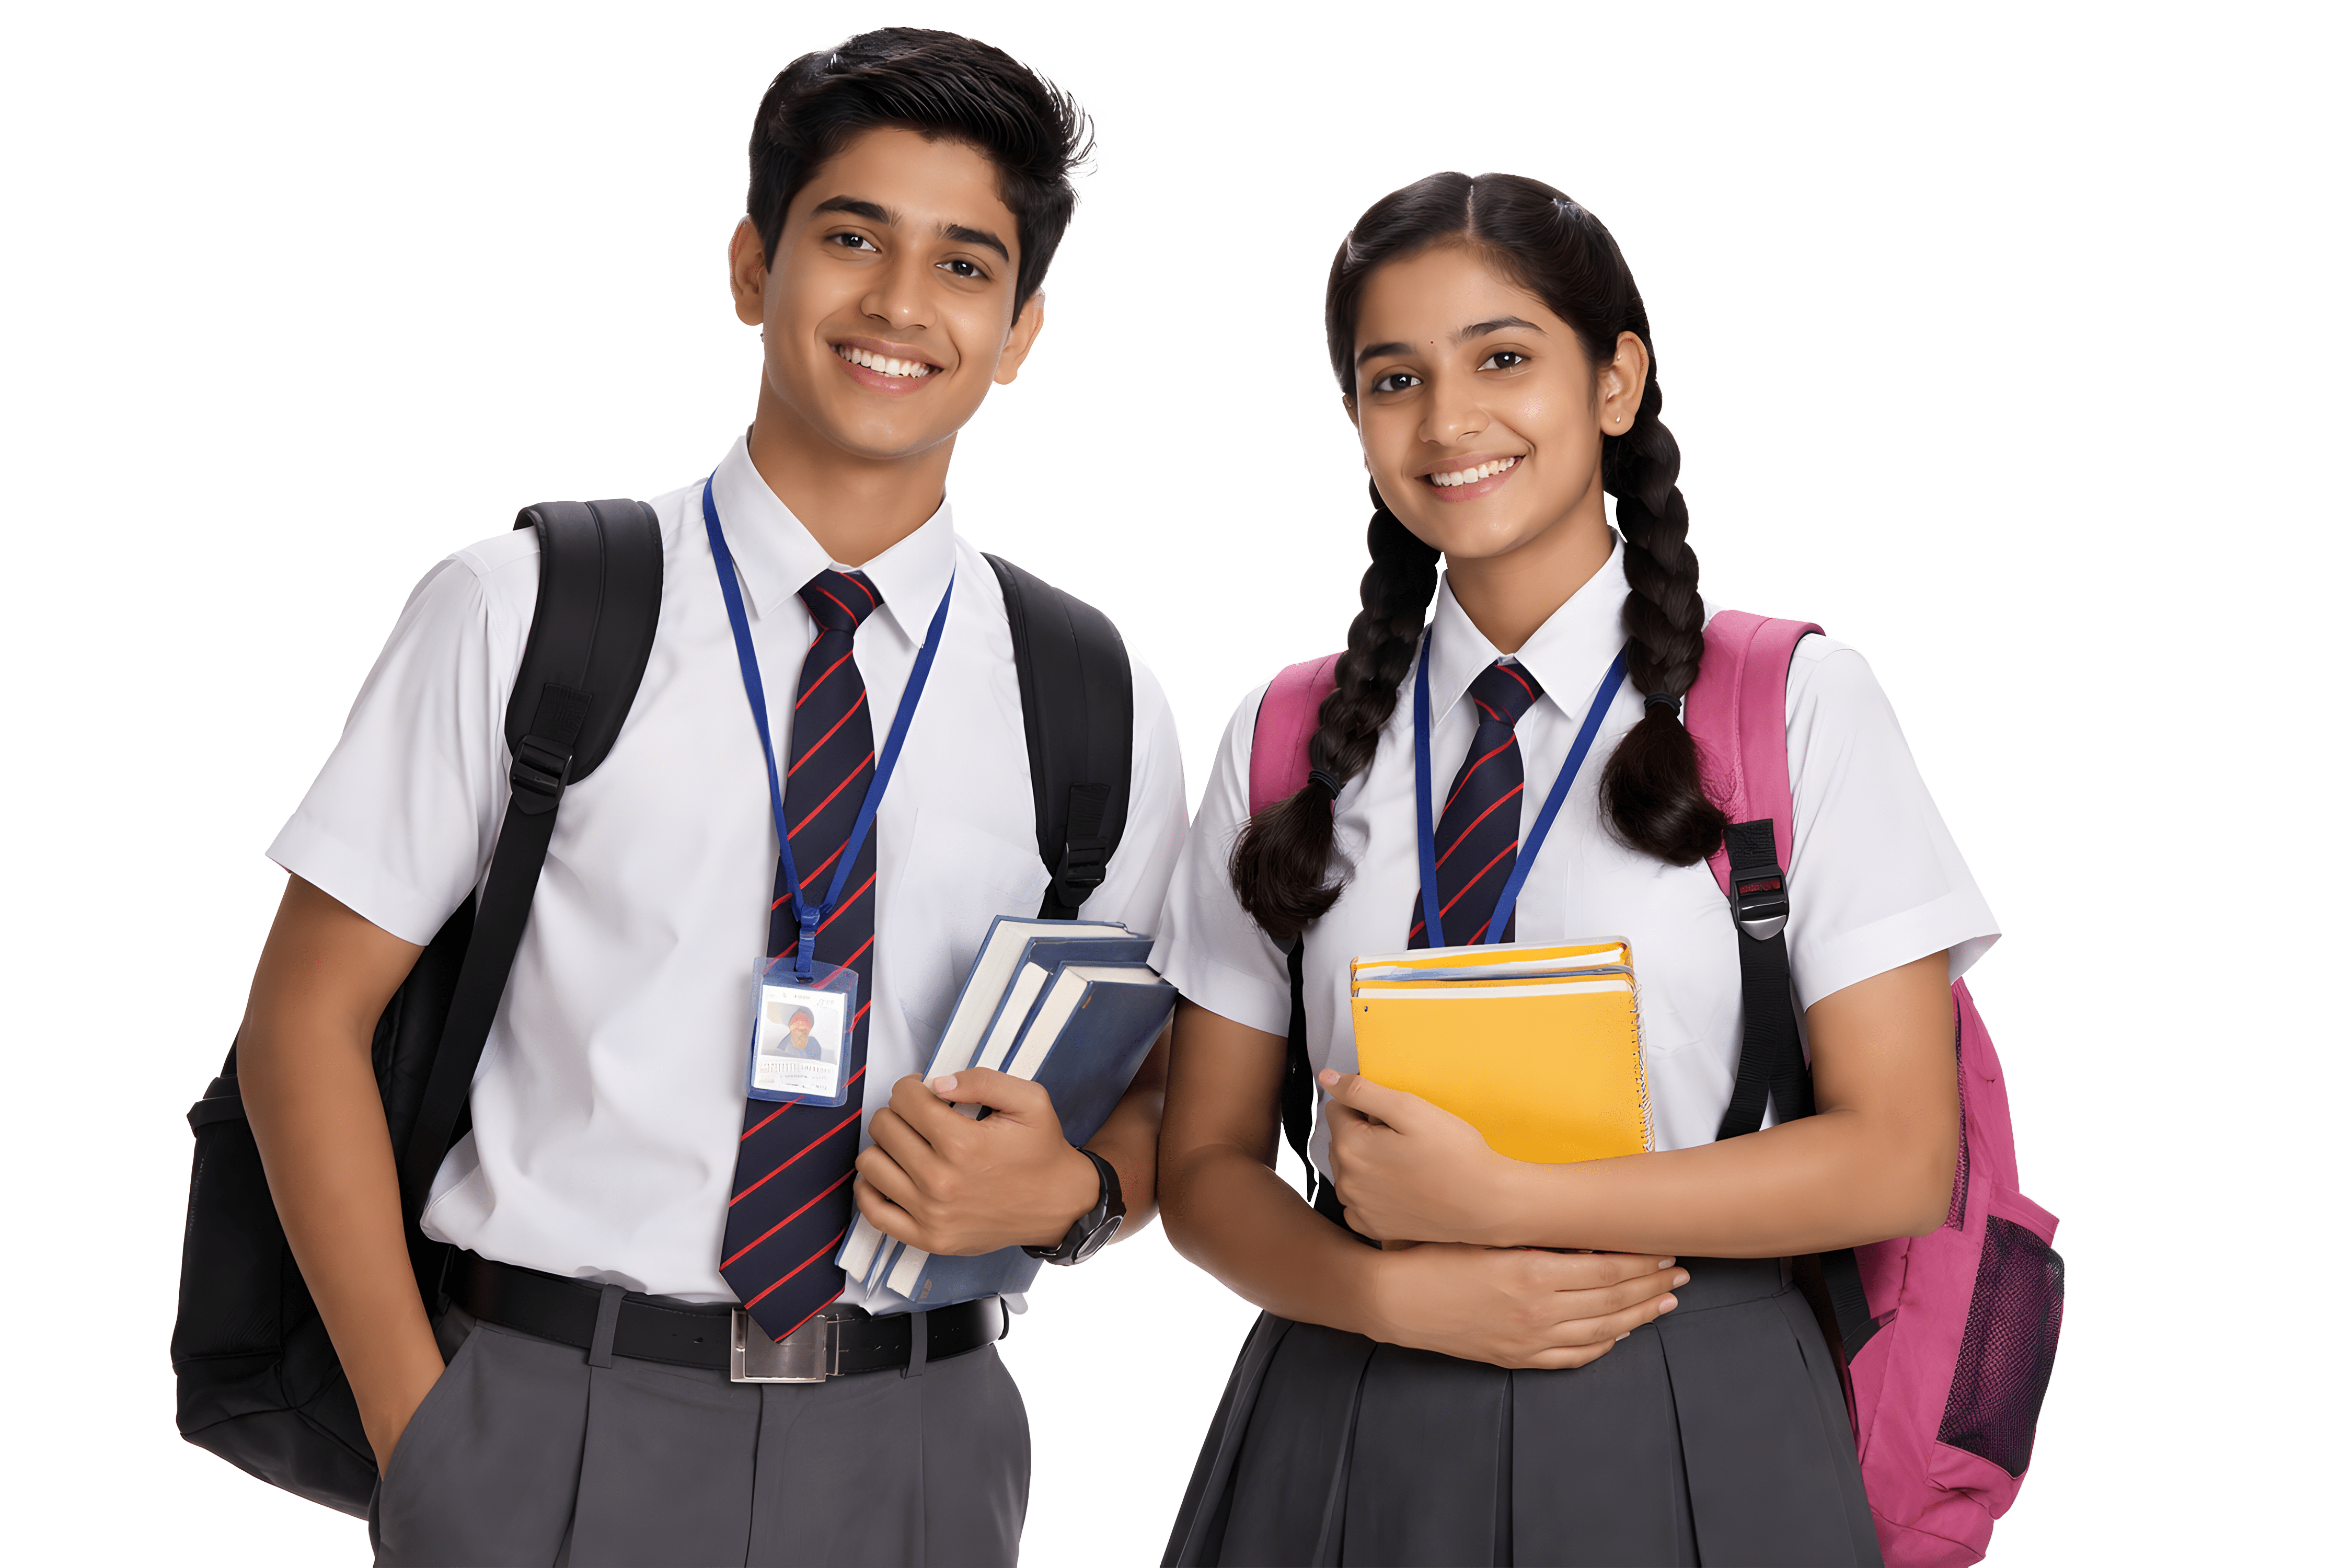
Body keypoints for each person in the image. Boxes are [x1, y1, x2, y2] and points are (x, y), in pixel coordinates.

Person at [234, 28, 1186, 1567]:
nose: (899, 304)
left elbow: (1165, 1088)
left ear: (1018, 331)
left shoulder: (1086, 686)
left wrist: (1078, 1191)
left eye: (965, 265)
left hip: (921, 1439)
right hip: (552, 1410)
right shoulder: (527, 608)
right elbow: (304, 1025)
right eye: (851, 238)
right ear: (752, 265)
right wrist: (426, 1435)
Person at [1151, 170, 1999, 1566]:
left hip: (1699, 1401)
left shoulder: (1792, 703)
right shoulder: (1287, 735)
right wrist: (1391, 1299)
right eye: (1393, 379)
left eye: (1501, 359)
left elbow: (1902, 1158)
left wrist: (1510, 1207)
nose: (1448, 421)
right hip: (1353, 1409)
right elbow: (1202, 1166)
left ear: (1616, 382)